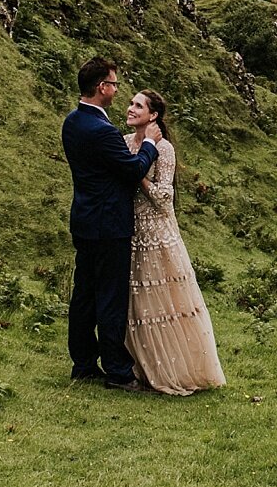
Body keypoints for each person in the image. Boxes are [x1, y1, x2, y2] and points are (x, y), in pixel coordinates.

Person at [63, 57, 161, 391]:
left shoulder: (72, 122)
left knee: (85, 295)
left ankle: (84, 363)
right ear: (103, 87)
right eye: (115, 84)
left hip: (85, 219)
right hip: (109, 224)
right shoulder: (102, 131)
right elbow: (132, 171)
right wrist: (149, 144)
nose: (117, 90)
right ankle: (118, 371)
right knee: (110, 297)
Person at [123, 89, 225, 395]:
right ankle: (139, 367)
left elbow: (165, 197)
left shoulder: (164, 149)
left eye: (137, 105)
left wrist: (137, 173)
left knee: (164, 301)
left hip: (157, 232)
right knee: (137, 300)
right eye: (130, 103)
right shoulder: (126, 142)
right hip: (132, 230)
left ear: (153, 116)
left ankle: (173, 369)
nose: (130, 108)